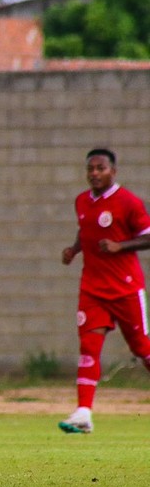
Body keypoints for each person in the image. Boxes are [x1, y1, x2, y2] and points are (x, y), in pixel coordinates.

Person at [59, 148, 150, 434]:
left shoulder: (128, 202)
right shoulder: (82, 201)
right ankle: (83, 413)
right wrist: (75, 249)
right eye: (90, 169)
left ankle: (84, 412)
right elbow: (85, 229)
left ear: (113, 171)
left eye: (100, 168)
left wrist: (120, 246)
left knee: (142, 349)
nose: (94, 174)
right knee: (88, 349)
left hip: (125, 289)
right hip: (92, 290)